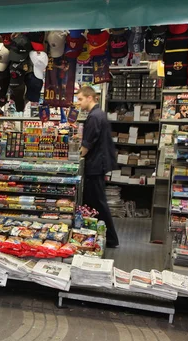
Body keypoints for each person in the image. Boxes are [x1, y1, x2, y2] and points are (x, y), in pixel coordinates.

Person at [77, 86, 119, 248]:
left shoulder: (94, 116)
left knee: (98, 202)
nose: (78, 103)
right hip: (98, 164)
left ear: (90, 97)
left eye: (80, 99)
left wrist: (78, 157)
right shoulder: (98, 114)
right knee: (93, 202)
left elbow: (88, 144)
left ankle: (110, 239)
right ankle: (95, 236)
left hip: (95, 165)